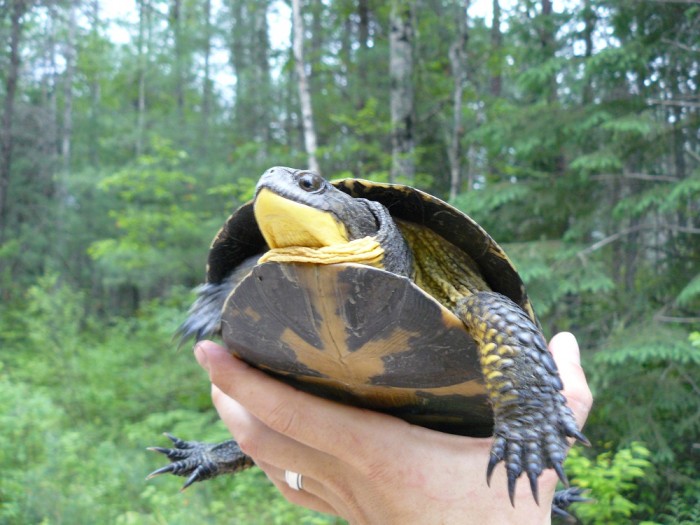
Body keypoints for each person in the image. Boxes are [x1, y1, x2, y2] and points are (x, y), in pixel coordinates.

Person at [193, 331, 592, 525]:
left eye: (308, 184)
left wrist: (527, 410)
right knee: (296, 427)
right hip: (328, 384)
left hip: (457, 417)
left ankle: (531, 496)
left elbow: (496, 308)